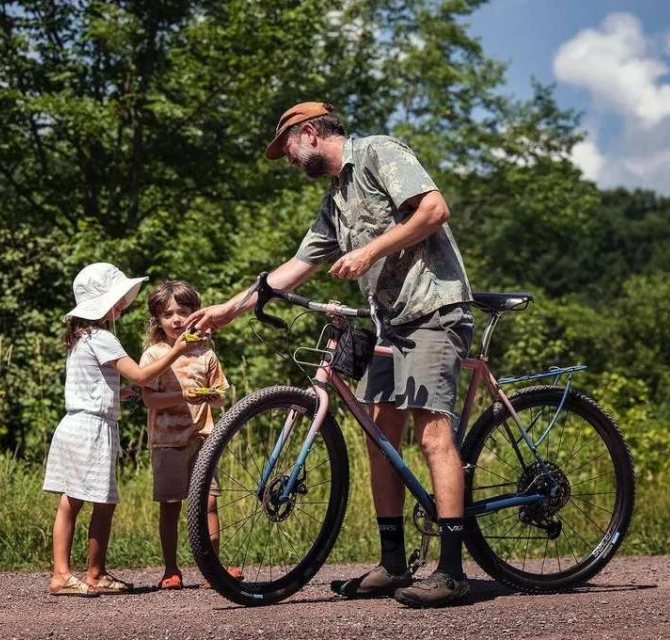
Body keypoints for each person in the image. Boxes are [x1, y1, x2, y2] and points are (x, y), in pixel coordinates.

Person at [187, 102, 475, 608]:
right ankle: (392, 565)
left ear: (312, 133)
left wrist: (370, 250)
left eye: (289, 150)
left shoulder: (379, 153)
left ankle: (451, 572)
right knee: (380, 434)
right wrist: (228, 310)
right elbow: (296, 266)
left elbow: (434, 210)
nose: (289, 161)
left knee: (433, 432)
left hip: (433, 310)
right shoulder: (335, 201)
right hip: (389, 322)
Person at [44, 263, 204, 597]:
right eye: (117, 299)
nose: (121, 305)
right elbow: (143, 376)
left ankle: (91, 572)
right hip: (91, 429)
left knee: (89, 501)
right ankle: (71, 574)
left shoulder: (81, 338)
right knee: (85, 502)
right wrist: (178, 350)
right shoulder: (102, 338)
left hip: (76, 423)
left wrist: (119, 394)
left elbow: (90, 386)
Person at [139, 280, 236, 590]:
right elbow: (149, 400)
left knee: (208, 504)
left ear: (197, 313)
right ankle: (171, 569)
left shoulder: (205, 354)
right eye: (168, 314)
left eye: (183, 311)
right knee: (170, 505)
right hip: (166, 442)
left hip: (204, 438)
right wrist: (184, 397)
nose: (177, 319)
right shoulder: (153, 355)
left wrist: (208, 396)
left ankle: (212, 569)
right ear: (157, 319)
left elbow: (221, 395)